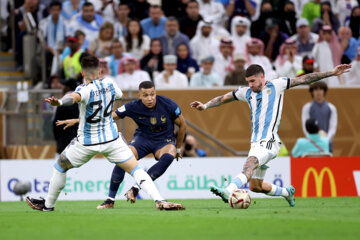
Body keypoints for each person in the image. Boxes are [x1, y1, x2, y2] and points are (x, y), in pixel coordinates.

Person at [26, 56, 185, 211]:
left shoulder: (83, 89)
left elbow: (73, 97)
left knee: (60, 167)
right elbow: (119, 95)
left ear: (82, 73)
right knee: (136, 170)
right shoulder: (110, 83)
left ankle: (48, 205)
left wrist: (60, 102)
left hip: (87, 143)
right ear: (100, 71)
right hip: (111, 140)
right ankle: (160, 200)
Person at [190, 62, 351, 206]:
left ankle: (228, 190)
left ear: (262, 77)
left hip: (270, 141)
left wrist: (331, 72)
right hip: (255, 142)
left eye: (253, 81)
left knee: (250, 163)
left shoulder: (277, 85)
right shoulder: (246, 93)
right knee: (256, 186)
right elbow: (223, 98)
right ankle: (287, 192)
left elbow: (304, 79)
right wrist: (205, 106)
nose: (251, 85)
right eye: (248, 82)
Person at [57, 80, 187, 208]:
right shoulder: (133, 106)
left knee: (169, 156)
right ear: (139, 96)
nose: (150, 98)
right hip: (143, 139)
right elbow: (107, 117)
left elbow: (182, 125)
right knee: (122, 158)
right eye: (145, 95)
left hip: (164, 140)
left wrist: (179, 148)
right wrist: (78, 120)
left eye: (152, 94)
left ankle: (136, 188)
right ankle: (110, 200)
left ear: (156, 93)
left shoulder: (168, 104)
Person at [302, 81, 338, 152]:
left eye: (321, 89)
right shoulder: (307, 107)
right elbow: (305, 127)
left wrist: (325, 140)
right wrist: (314, 141)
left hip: (327, 146)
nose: (318, 92)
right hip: (311, 146)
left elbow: (332, 128)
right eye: (315, 89)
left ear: (324, 91)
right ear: (312, 91)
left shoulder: (332, 108)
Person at [38, 1, 67, 78]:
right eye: (53, 10)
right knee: (46, 55)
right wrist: (50, 49)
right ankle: (47, 79)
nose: (55, 12)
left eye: (57, 10)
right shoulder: (43, 23)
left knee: (65, 55)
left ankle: (61, 78)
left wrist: (62, 48)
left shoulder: (65, 23)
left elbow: (68, 39)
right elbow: (42, 41)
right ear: (50, 10)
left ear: (60, 11)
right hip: (49, 49)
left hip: (62, 49)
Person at [52, 78, 79, 157]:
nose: (63, 88)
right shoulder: (81, 102)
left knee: (59, 168)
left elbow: (55, 123)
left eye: (64, 86)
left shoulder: (62, 102)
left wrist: (58, 139)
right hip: (78, 144)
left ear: (68, 88)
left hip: (63, 143)